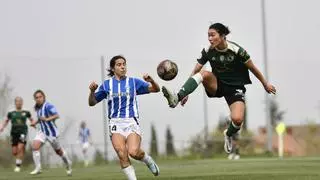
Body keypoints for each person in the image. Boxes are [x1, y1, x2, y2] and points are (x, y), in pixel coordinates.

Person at [162, 23, 276, 154]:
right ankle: (177, 97)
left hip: (235, 88)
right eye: (208, 36)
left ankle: (228, 133)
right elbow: (197, 69)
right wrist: (186, 92)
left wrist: (265, 83)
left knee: (238, 120)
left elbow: (253, 68)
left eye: (212, 35)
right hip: (217, 84)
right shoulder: (207, 50)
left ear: (222, 36)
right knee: (204, 73)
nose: (210, 39)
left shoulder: (237, 50)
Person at [88, 55, 160, 180]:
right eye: (119, 64)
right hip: (115, 123)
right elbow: (92, 102)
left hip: (131, 121)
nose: (122, 67)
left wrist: (151, 80)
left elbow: (156, 89)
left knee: (133, 152)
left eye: (124, 64)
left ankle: (148, 160)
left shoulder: (133, 82)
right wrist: (92, 92)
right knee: (122, 154)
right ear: (113, 68)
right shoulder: (107, 85)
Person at [29, 90, 72, 176]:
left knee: (59, 152)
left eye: (40, 97)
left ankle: (68, 163)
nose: (38, 99)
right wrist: (35, 122)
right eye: (36, 97)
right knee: (34, 146)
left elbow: (56, 115)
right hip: (42, 132)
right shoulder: (37, 108)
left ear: (43, 97)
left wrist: (47, 119)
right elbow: (41, 118)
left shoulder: (48, 106)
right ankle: (38, 168)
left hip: (52, 133)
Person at [0, 97, 35, 172]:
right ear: (15, 103)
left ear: (22, 103)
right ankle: (21, 153)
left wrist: (34, 124)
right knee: (14, 152)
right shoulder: (11, 112)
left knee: (20, 147)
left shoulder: (26, 112)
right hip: (14, 133)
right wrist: (2, 127)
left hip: (23, 132)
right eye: (17, 101)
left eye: (20, 101)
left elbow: (32, 119)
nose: (19, 103)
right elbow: (6, 120)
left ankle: (18, 166)